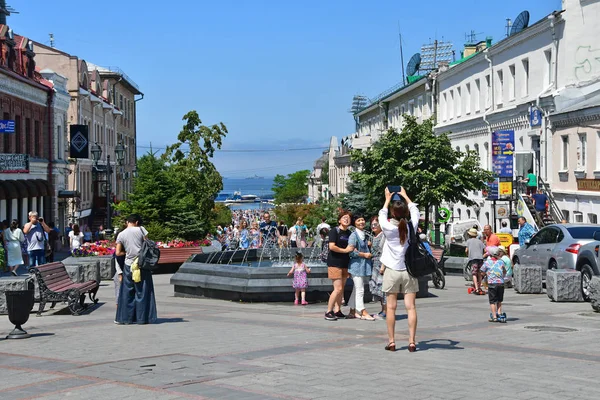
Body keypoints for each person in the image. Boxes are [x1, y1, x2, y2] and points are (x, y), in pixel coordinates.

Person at [379, 187, 420, 352]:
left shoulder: (388, 227)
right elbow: (415, 210)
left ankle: (392, 341)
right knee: (411, 307)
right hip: (409, 270)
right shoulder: (411, 226)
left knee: (391, 307)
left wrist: (387, 199)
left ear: (392, 213)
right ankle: (411, 342)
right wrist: (405, 196)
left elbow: (382, 213)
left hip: (392, 271)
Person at [115, 214, 157, 325]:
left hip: (128, 265)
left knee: (128, 292)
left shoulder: (121, 234)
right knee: (142, 291)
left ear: (127, 222)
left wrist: (128, 253)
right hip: (141, 264)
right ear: (137, 222)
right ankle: (142, 318)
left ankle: (126, 319)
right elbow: (147, 246)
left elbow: (118, 252)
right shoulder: (141, 230)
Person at [324, 210, 353, 321]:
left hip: (345, 263)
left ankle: (337, 310)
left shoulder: (349, 233)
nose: (346, 219)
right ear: (339, 220)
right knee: (338, 288)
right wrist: (345, 250)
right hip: (334, 262)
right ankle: (328, 311)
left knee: (341, 289)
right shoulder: (334, 231)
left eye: (348, 218)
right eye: (344, 217)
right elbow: (331, 246)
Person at [346, 214, 374, 320]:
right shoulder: (353, 235)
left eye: (362, 220)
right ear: (355, 223)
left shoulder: (364, 235)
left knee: (356, 289)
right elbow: (351, 251)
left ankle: (352, 311)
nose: (361, 222)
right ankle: (363, 311)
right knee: (360, 289)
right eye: (358, 220)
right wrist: (363, 254)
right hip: (356, 266)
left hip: (363, 266)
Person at [480, 246, 507, 323]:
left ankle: (494, 317)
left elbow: (482, 271)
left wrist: (485, 275)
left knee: (492, 301)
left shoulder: (487, 263)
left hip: (492, 283)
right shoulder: (501, 262)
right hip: (500, 283)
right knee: (499, 300)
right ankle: (499, 313)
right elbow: (504, 271)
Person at [368, 216, 387, 318]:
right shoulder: (374, 236)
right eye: (372, 225)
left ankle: (385, 312)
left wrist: (383, 267)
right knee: (378, 289)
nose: (373, 226)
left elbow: (385, 251)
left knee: (383, 289)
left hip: (381, 265)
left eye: (376, 224)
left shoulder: (383, 235)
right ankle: (383, 310)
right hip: (375, 264)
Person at [465, 228, 486, 295]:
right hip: (480, 258)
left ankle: (476, 289)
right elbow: (484, 250)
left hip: (473, 259)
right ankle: (479, 287)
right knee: (479, 273)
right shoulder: (480, 241)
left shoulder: (468, 241)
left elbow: (466, 250)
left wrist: (468, 255)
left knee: (474, 273)